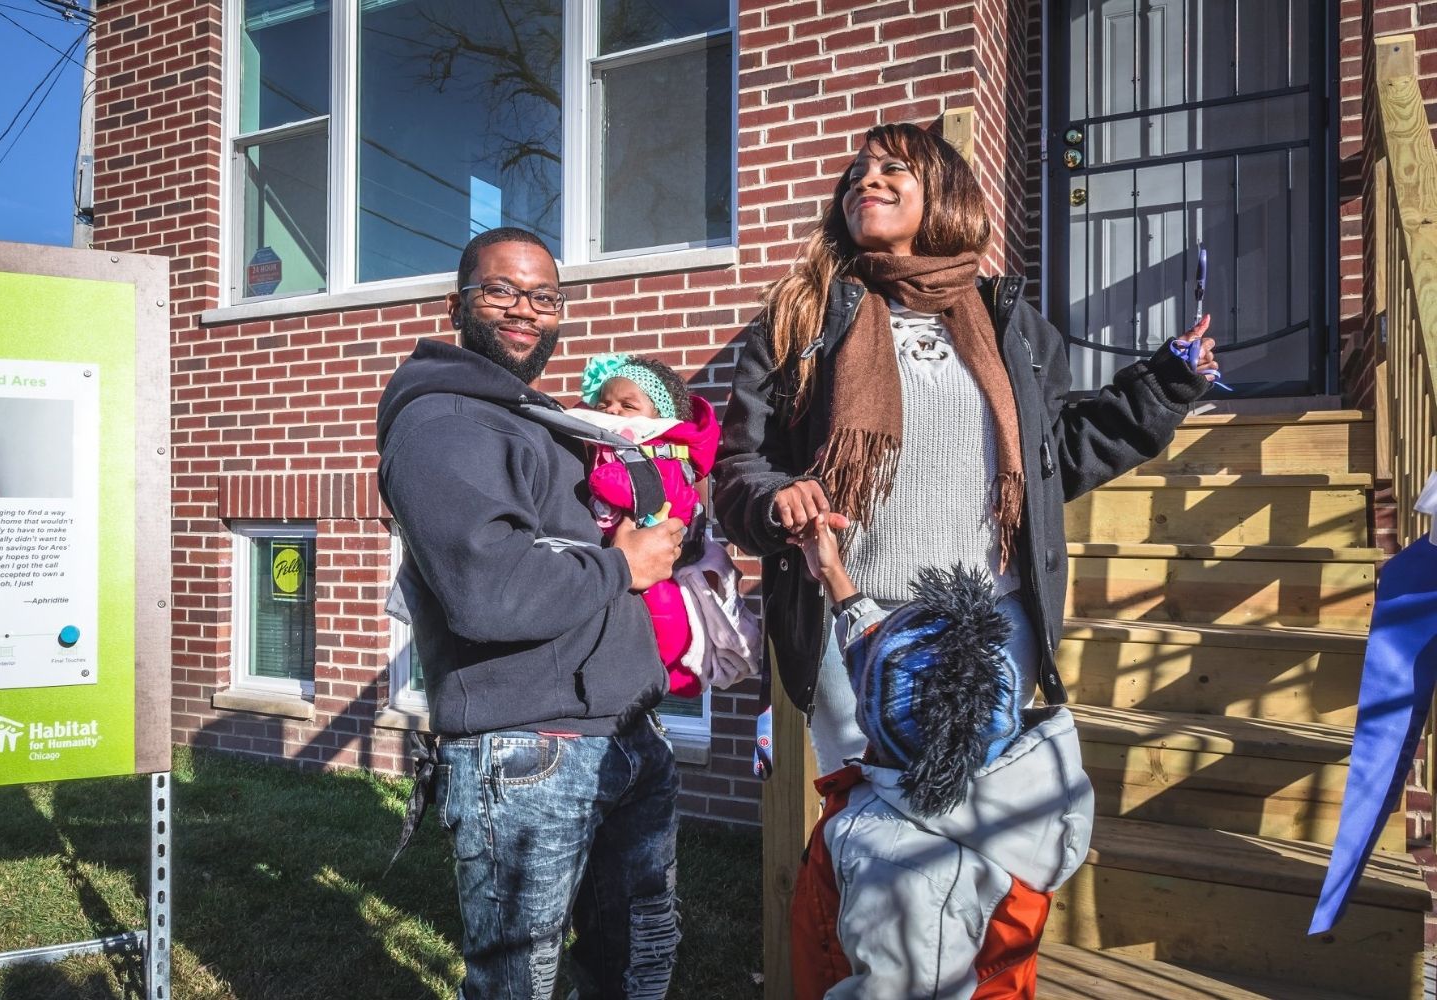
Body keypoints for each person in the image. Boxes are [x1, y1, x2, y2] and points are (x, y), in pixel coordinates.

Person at [716, 120, 1217, 777]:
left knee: (981, 828)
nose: (867, 179)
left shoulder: (1012, 326)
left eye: (893, 169)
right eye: (857, 175)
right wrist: (775, 496)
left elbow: (1055, 456)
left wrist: (1165, 386)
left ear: (946, 192)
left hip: (991, 621)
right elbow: (737, 470)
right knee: (870, 820)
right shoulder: (800, 321)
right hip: (853, 615)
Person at [376, 226, 685, 998]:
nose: (525, 310)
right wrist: (625, 564)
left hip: (621, 732)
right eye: (501, 290)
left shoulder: (530, 418)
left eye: (544, 296)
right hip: (530, 749)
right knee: (522, 982)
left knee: (635, 961)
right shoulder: (445, 422)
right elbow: (489, 591)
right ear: (457, 304)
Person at [786, 512, 1093, 998]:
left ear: (881, 721)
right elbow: (888, 665)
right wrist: (834, 575)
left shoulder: (902, 866)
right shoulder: (988, 764)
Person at [574, 352, 721, 697]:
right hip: (629, 561)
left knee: (663, 619)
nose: (611, 411)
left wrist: (602, 476)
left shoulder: (659, 453)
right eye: (605, 403)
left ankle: (673, 672)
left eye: (628, 405)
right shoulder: (615, 447)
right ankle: (672, 675)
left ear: (659, 417)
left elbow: (620, 486)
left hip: (658, 565)